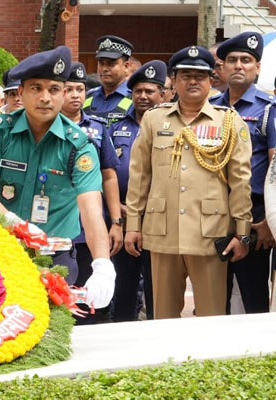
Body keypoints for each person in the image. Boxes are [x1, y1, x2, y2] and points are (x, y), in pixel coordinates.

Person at [0, 46, 115, 307]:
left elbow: (91, 210)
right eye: (36, 88)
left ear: (63, 93)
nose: (45, 97)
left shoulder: (78, 145)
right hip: (1, 248)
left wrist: (103, 265)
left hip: (54, 258)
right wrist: (15, 224)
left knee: (51, 335)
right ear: (21, 93)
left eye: (54, 89)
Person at [124, 45, 252, 320]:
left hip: (210, 233)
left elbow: (240, 181)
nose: (193, 81)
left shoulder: (228, 122)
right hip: (162, 232)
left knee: (211, 317)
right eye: (185, 75)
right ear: (173, 80)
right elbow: (139, 176)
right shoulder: (154, 119)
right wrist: (133, 225)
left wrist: (242, 233)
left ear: (211, 81)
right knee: (163, 317)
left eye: (200, 76)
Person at [212, 32, 276, 314]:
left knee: (254, 299)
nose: (239, 65)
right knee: (213, 297)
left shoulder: (269, 110)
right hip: (212, 213)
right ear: (222, 68)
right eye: (232, 60)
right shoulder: (209, 107)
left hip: (255, 218)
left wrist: (268, 220)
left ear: (258, 68)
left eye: (246, 60)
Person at [109, 60, 168, 321]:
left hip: (159, 217)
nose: (143, 96)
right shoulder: (116, 126)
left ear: (163, 94)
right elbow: (107, 171)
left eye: (150, 91)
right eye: (138, 91)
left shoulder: (171, 127)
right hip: (123, 215)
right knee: (124, 283)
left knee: (158, 284)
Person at [61, 62, 122, 299]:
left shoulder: (97, 128)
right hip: (59, 224)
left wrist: (116, 222)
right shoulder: (47, 129)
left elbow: (109, 176)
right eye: (69, 89)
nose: (75, 95)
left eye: (80, 89)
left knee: (92, 294)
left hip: (91, 226)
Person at [84, 35, 134, 126]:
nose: (104, 68)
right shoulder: (88, 97)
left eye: (111, 63)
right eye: (101, 63)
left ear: (126, 66)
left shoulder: (135, 98)